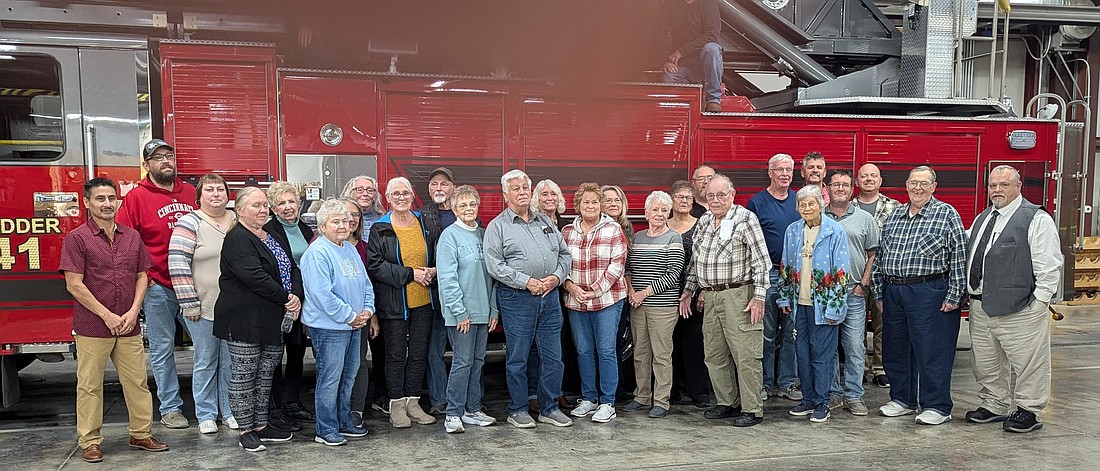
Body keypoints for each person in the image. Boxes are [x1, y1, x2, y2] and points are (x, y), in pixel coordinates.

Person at [61, 178, 170, 463]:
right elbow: (74, 284)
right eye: (100, 199)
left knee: (137, 382)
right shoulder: (77, 239)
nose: (107, 204)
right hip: (93, 326)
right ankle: (90, 440)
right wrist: (107, 315)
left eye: (112, 198)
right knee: (89, 385)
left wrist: (134, 311)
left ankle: (140, 433)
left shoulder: (132, 236)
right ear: (87, 203)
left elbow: (142, 276)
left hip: (128, 324)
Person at [964, 165, 1061, 433]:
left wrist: (1039, 304)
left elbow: (1049, 265)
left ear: (1018, 187)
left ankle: (1030, 410)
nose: (997, 190)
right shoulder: (984, 218)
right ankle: (994, 404)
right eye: (993, 185)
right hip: (981, 306)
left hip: (1020, 309)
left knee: (1029, 362)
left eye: (1004, 185)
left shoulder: (1036, 219)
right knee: (985, 361)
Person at [872, 165, 967, 425]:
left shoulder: (946, 214)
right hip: (894, 291)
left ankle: (937, 406)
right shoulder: (895, 215)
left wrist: (955, 295)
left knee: (932, 351)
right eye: (914, 182)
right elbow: (881, 257)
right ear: (906, 185)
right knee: (896, 348)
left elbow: (959, 256)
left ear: (934, 187)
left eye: (924, 183)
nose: (918, 187)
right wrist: (880, 291)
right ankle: (902, 399)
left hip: (930, 291)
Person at [116, 139, 196, 430]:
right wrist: (144, 279)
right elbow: (126, 242)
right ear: (147, 165)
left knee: (209, 346)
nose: (166, 161)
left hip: (193, 286)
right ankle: (171, 408)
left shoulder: (190, 193)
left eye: (169, 156)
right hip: (158, 287)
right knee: (163, 350)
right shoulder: (136, 197)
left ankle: (211, 406)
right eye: (158, 158)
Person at [484, 169, 574, 429]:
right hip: (517, 298)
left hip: (550, 297)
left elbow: (564, 255)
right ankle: (518, 409)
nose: (522, 192)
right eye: (516, 188)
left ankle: (549, 407)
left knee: (553, 356)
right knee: (518, 357)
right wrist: (526, 281)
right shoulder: (497, 226)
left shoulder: (544, 222)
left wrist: (556, 278)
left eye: (525, 187)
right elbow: (494, 265)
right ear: (505, 194)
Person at [214, 187, 301, 451]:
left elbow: (292, 266)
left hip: (272, 319)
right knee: (244, 376)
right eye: (256, 206)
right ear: (239, 210)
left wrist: (296, 294)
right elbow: (254, 277)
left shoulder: (271, 234)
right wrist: (286, 297)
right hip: (244, 320)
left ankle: (262, 425)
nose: (262, 210)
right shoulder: (237, 239)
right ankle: (245, 430)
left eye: (265, 205)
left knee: (265, 375)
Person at [680, 174, 770, 427]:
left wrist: (759, 297)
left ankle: (752, 408)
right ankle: (726, 402)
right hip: (711, 295)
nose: (716, 200)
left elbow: (762, 261)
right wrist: (689, 290)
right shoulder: (705, 220)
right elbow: (697, 261)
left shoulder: (745, 218)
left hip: (739, 294)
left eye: (721, 195)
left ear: (732, 194)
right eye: (710, 195)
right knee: (715, 353)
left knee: (745, 354)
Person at [300, 198, 375, 446]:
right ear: (322, 226)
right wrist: (350, 316)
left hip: (355, 324)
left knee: (349, 375)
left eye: (345, 220)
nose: (343, 225)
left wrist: (367, 309)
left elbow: (366, 284)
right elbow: (322, 295)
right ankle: (326, 428)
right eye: (336, 221)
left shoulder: (350, 249)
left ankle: (344, 420)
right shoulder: (317, 253)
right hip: (330, 327)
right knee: (330, 378)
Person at [168, 173, 237, 434]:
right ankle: (206, 414)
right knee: (206, 361)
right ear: (199, 197)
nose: (216, 194)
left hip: (233, 308)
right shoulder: (189, 223)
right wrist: (189, 303)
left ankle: (230, 411)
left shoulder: (236, 220)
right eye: (210, 190)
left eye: (221, 189)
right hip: (202, 307)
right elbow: (177, 263)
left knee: (231, 362)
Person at [366, 177, 438, 429]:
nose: (401, 198)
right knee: (396, 356)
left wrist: (433, 270)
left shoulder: (424, 222)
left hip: (423, 301)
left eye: (405, 193)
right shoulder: (380, 228)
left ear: (412, 195)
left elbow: (438, 252)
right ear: (387, 197)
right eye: (395, 193)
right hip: (395, 303)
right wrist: (410, 274)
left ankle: (413, 402)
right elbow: (375, 265)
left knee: (418, 354)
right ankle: (396, 405)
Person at [777, 185, 851, 423]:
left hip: (824, 306)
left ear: (821, 204)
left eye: (811, 203)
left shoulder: (834, 231)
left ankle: (822, 402)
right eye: (802, 204)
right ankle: (807, 400)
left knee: (822, 355)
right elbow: (786, 266)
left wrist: (834, 307)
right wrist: (784, 297)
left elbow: (841, 273)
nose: (807, 208)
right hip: (800, 304)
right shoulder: (792, 231)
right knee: (802, 353)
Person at [561, 183, 629, 424]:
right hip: (575, 300)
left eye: (595, 202)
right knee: (583, 351)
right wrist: (570, 286)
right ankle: (589, 398)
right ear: (577, 205)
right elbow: (561, 263)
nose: (590, 206)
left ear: (601, 205)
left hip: (608, 300)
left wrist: (594, 292)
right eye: (585, 202)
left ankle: (607, 401)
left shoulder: (613, 229)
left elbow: (617, 266)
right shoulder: (567, 231)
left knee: (606, 350)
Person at [436, 185, 500, 433]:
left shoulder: (485, 235)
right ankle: (453, 413)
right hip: (461, 314)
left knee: (478, 360)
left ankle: (473, 409)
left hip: (484, 312)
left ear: (478, 205)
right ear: (454, 209)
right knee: (462, 362)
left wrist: (493, 309)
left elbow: (494, 276)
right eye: (462, 205)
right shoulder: (449, 237)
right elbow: (447, 278)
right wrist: (459, 311)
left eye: (472, 204)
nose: (468, 209)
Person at [622, 191, 684, 418]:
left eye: (664, 210)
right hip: (637, 305)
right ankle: (641, 396)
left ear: (669, 213)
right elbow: (628, 268)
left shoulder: (673, 238)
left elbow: (673, 273)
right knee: (640, 353)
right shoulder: (638, 238)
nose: (659, 214)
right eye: (655, 210)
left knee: (661, 354)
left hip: (662, 307)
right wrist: (631, 291)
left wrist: (643, 293)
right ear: (646, 213)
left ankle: (661, 401)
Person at [823, 170, 879, 416]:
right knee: (829, 346)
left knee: (855, 346)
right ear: (829, 187)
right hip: (825, 293)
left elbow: (873, 254)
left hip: (853, 292)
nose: (841, 188)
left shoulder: (864, 219)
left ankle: (854, 395)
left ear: (851, 188)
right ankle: (834, 393)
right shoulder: (819, 217)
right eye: (836, 184)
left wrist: (863, 285)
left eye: (845, 185)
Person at [746, 153, 801, 403]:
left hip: (795, 276)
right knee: (765, 332)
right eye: (780, 169)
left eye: (789, 170)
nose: (785, 174)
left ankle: (788, 382)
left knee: (791, 331)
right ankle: (765, 382)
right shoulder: (756, 203)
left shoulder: (800, 200)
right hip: (767, 274)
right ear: (770, 172)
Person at [263, 182, 316, 431]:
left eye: (291, 201)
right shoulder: (268, 231)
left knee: (296, 353)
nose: (287, 207)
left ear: (299, 203)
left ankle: (294, 402)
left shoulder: (306, 230)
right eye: (281, 203)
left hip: (302, 301)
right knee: (274, 357)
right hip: (278, 302)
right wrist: (287, 297)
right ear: (273, 208)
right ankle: (277, 408)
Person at [342, 177, 390, 416]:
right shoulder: (325, 242)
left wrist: (371, 312)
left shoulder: (381, 222)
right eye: (359, 189)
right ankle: (345, 408)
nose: (365, 193)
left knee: (377, 352)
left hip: (374, 298)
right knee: (349, 361)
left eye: (370, 190)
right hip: (344, 311)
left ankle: (374, 399)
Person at [530, 178, 578, 412]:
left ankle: (555, 392)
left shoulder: (568, 225)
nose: (549, 198)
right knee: (534, 348)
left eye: (554, 194)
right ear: (536, 199)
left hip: (564, 292)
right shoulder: (530, 223)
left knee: (557, 348)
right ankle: (533, 394)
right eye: (544, 194)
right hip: (539, 291)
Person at [854, 163, 900, 388]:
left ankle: (881, 368)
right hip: (855, 276)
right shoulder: (848, 207)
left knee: (884, 324)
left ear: (880, 181)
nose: (869, 179)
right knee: (856, 324)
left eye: (874, 176)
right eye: (864, 176)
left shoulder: (895, 207)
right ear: (857, 181)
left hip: (885, 275)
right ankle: (859, 367)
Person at [668, 180, 712, 408]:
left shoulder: (701, 224)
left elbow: (706, 260)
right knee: (669, 342)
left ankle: (699, 391)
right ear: (671, 200)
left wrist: (703, 290)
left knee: (695, 341)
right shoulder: (664, 225)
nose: (684, 201)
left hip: (695, 291)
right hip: (666, 294)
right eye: (679, 197)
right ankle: (671, 390)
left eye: (688, 197)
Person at [419, 167, 456, 416]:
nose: (438, 188)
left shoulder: (464, 214)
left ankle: (465, 398)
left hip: (460, 294)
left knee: (465, 353)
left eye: (443, 183)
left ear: (453, 187)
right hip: (432, 294)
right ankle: (439, 399)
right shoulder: (420, 216)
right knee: (434, 350)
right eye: (434, 184)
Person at [345, 198, 383, 427]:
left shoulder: (364, 248)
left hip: (360, 318)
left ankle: (356, 409)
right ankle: (338, 409)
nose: (350, 219)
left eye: (355, 215)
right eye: (345, 214)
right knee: (335, 366)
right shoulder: (320, 245)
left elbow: (370, 284)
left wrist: (372, 316)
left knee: (358, 363)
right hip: (332, 321)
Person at [601, 183, 636, 402]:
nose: (613, 204)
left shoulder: (626, 227)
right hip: (602, 293)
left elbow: (628, 266)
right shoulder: (599, 226)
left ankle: (617, 388)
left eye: (617, 200)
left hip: (621, 294)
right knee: (606, 345)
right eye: (608, 200)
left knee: (617, 343)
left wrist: (630, 290)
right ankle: (609, 391)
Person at [661, 0, 723, 112]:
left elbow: (711, 35)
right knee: (668, 78)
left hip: (702, 65)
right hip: (683, 66)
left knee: (712, 49)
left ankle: (713, 100)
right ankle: (696, 93)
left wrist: (682, 51)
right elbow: (662, 34)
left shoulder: (709, 4)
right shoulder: (670, 4)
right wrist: (666, 61)